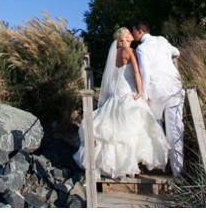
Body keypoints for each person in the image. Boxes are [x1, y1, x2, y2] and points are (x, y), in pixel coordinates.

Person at [74, 27, 168, 180]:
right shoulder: (129, 51)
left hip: (115, 93)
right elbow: (137, 73)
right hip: (126, 91)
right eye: (129, 34)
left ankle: (116, 165)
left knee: (114, 127)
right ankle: (129, 165)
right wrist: (140, 93)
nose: (131, 35)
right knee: (131, 126)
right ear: (123, 38)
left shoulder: (114, 54)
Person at [131, 20, 185, 176]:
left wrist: (144, 95)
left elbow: (145, 73)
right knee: (175, 128)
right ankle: (178, 169)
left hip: (156, 92)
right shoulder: (162, 40)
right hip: (174, 87)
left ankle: (161, 164)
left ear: (140, 32)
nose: (133, 34)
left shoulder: (142, 49)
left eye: (134, 31)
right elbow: (177, 52)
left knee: (157, 129)